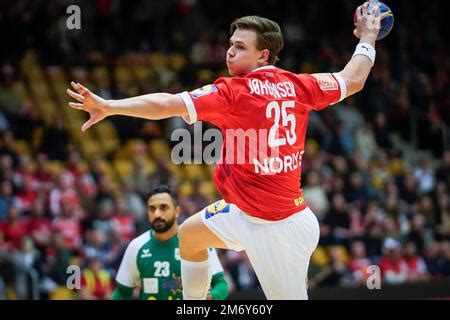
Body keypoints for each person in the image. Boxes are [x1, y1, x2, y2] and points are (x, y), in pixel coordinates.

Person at [67, 3, 387, 299]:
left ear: (263, 55)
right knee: (190, 237)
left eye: (240, 47)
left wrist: (110, 106)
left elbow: (167, 103)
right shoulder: (298, 84)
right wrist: (369, 37)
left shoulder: (235, 92)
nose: (229, 52)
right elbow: (353, 79)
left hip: (277, 229)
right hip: (245, 212)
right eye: (230, 44)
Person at [111, 185, 228, 300]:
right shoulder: (136, 246)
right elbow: (122, 292)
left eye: (163, 208)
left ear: (177, 211)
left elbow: (221, 284)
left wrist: (213, 296)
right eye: (152, 208)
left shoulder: (196, 242)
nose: (157, 214)